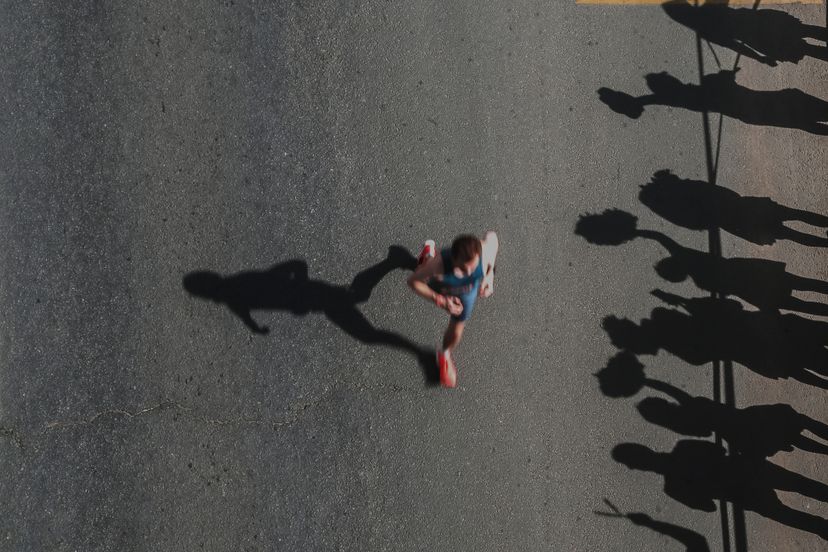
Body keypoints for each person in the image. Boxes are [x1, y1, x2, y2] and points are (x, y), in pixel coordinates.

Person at [407, 232, 499, 387]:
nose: (469, 273)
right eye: (463, 269)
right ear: (454, 258)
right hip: (441, 287)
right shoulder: (439, 264)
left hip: (466, 293)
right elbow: (413, 282)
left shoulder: (485, 251)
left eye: (473, 267)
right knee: (424, 272)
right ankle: (428, 253)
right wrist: (441, 301)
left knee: (458, 328)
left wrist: (489, 277)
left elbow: (493, 237)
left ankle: (444, 354)